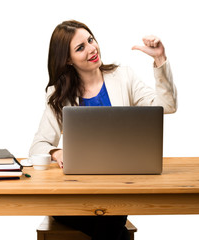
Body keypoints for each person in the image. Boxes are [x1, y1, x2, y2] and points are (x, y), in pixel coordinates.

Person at [29, 20, 177, 240]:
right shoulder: (58, 95)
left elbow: (167, 106)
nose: (91, 48)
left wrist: (159, 59)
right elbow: (37, 147)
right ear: (67, 59)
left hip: (116, 191)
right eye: (80, 48)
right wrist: (57, 153)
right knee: (111, 224)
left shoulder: (124, 76)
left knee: (109, 217)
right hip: (73, 196)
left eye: (90, 40)